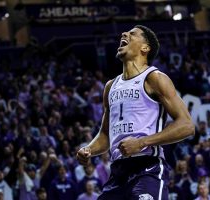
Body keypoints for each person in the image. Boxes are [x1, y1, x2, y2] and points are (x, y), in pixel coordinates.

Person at [76, 25, 195, 199]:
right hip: (117, 172)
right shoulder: (110, 86)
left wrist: (141, 143)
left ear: (145, 48)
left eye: (132, 34)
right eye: (125, 33)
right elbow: (105, 135)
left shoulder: (154, 78)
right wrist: (88, 149)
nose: (124, 34)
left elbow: (187, 125)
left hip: (147, 167)